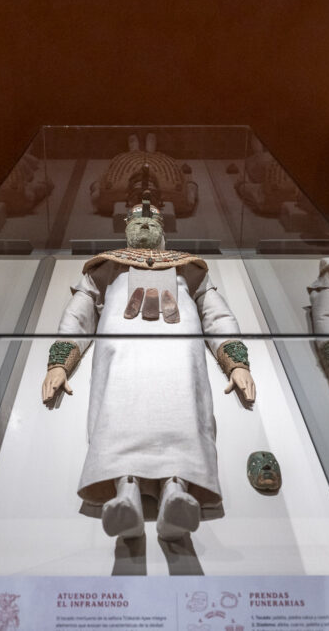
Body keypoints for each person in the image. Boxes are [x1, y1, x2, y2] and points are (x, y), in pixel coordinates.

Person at [42, 195, 254, 541]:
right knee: (118, 408)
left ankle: (177, 489)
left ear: (163, 229)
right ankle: (125, 491)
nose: (144, 225)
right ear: (125, 229)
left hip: (178, 349)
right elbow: (78, 314)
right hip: (121, 348)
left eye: (152, 221)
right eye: (137, 222)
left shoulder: (187, 266)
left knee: (182, 406)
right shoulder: (107, 266)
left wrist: (235, 362)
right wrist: (60, 363)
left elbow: (217, 314)